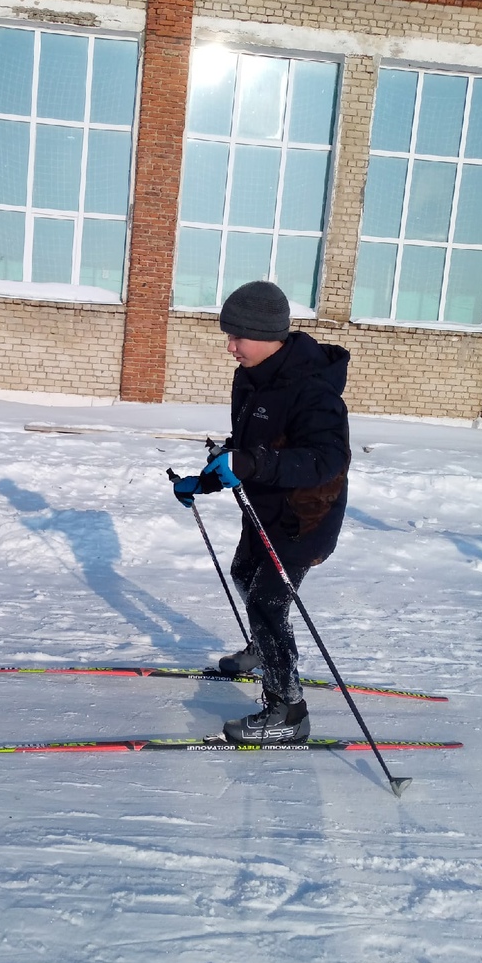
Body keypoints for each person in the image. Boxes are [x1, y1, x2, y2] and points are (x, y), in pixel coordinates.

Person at [171, 280, 351, 745]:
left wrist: (252, 462)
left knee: (267, 602)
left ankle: (287, 712)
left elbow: (326, 459)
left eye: (238, 337)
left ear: (268, 334)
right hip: (264, 508)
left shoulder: (313, 390)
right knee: (243, 571)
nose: (230, 347)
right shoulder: (251, 377)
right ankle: (264, 648)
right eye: (228, 336)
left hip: (304, 517)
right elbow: (248, 452)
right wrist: (206, 479)